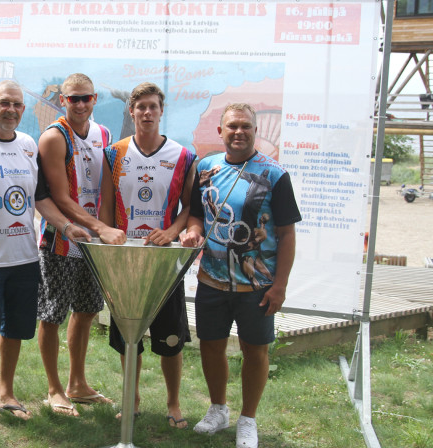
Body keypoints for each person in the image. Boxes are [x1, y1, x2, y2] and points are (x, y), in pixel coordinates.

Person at [0, 80, 90, 426]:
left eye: (17, 105)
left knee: (16, 329)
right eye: (4, 103)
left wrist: (67, 228)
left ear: (24, 110)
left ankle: (6, 392)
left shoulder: (27, 146)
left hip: (24, 261)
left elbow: (40, 200)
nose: (11, 110)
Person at [180, 103, 301, 448]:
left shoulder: (275, 174)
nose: (239, 132)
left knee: (255, 350)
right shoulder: (205, 168)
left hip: (257, 284)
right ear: (220, 131)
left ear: (255, 130)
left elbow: (287, 233)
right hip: (211, 280)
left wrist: (280, 286)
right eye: (232, 126)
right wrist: (191, 231)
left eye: (246, 126)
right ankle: (218, 410)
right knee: (211, 346)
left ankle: (248, 419)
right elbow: (196, 216)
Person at [99, 82, 196, 426]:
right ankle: (133, 398)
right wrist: (111, 248)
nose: (147, 112)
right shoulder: (114, 153)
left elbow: (190, 206)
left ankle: (173, 404)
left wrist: (172, 232)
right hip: (126, 259)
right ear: (131, 111)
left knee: (170, 339)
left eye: (153, 106)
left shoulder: (183, 156)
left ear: (161, 110)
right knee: (130, 338)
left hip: (163, 260)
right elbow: (107, 207)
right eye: (140, 107)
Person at [36, 73, 126, 416]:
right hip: (61, 240)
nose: (80, 104)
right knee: (52, 315)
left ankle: (77, 383)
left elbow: (104, 189)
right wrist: (100, 227)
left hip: (94, 239)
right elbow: (60, 196)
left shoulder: (102, 133)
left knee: (87, 311)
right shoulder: (54, 137)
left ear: (95, 98)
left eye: (86, 98)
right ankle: (55, 388)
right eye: (73, 98)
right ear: (63, 101)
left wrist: (105, 228)